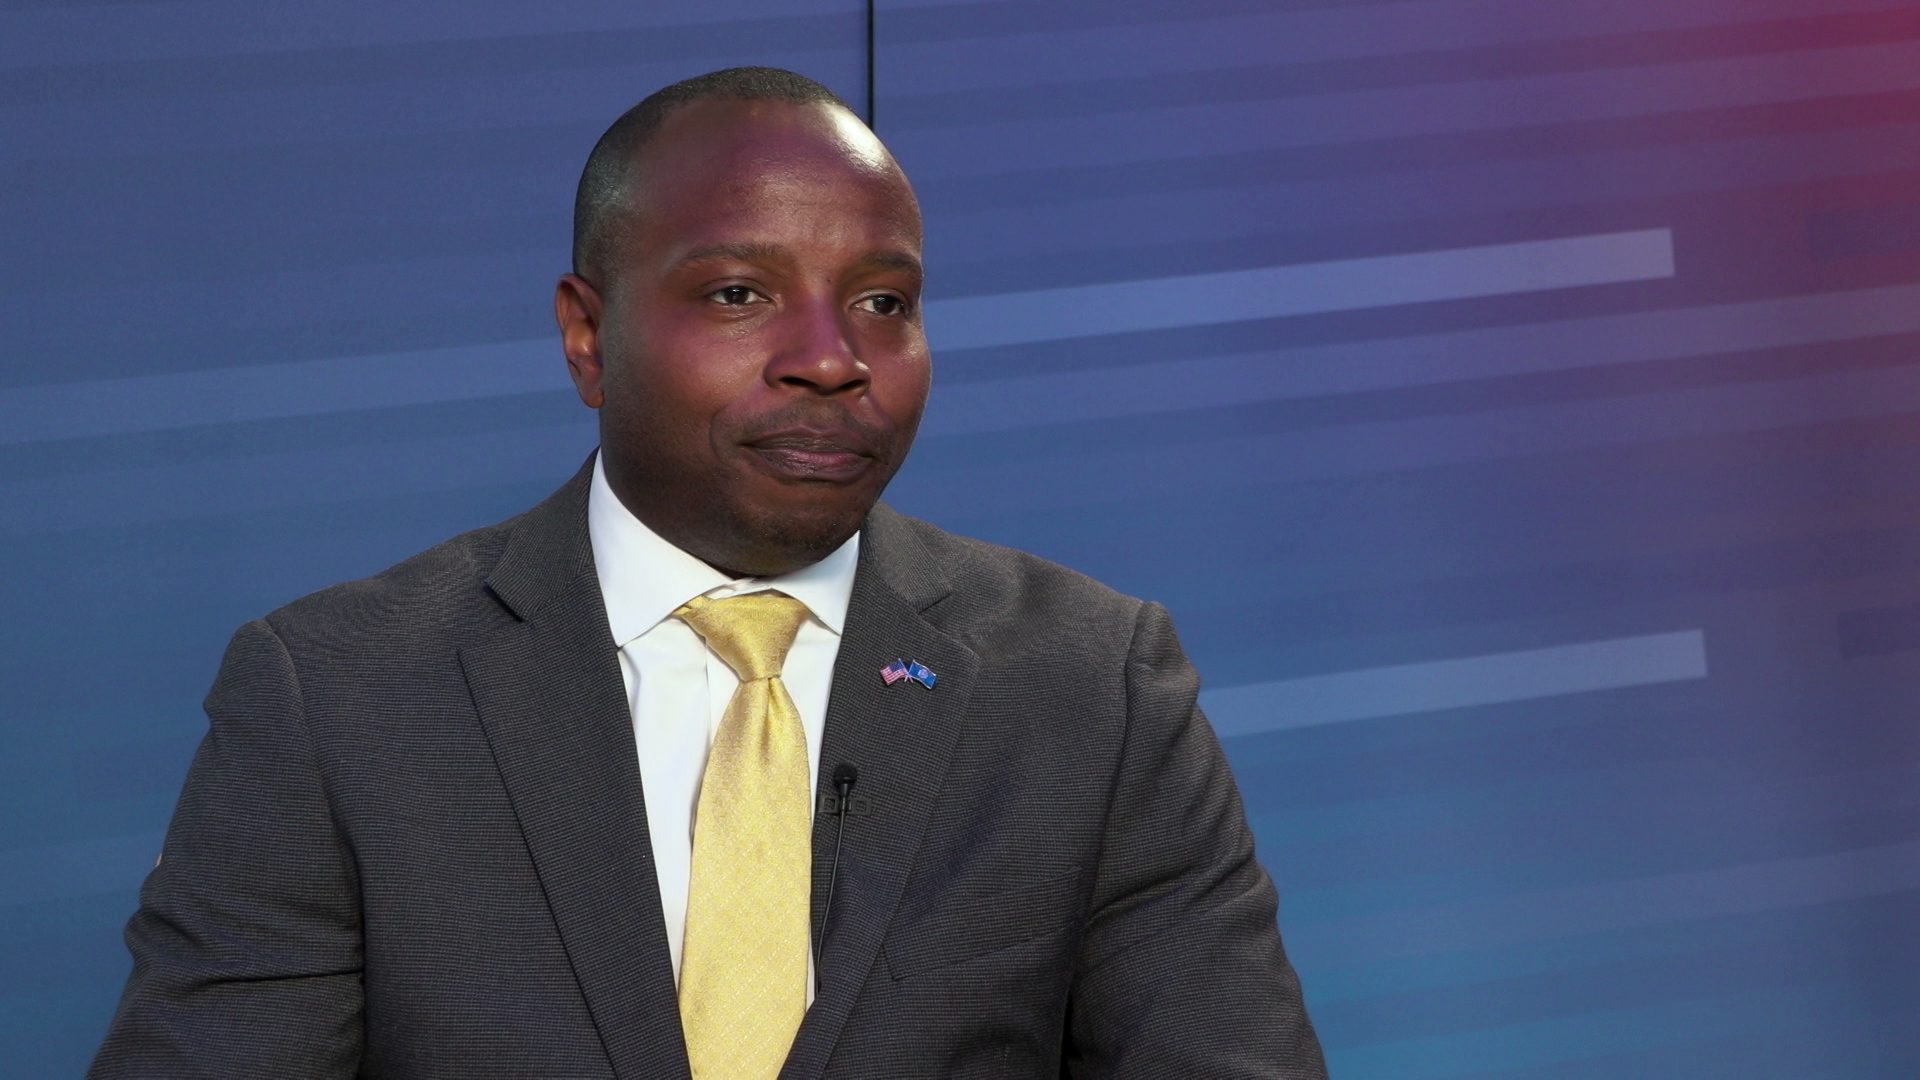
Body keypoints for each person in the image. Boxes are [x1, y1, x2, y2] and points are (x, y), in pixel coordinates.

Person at [88, 67, 1327, 1079]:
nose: (832, 360)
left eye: (884, 301)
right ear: (587, 334)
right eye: (741, 293)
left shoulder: (1091, 687)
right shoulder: (339, 696)